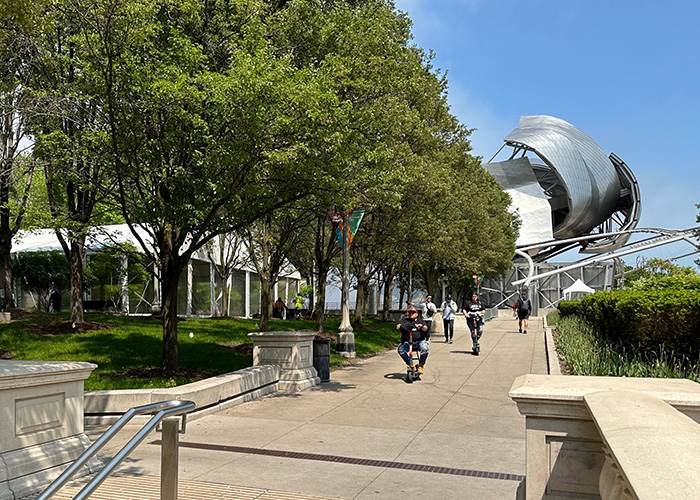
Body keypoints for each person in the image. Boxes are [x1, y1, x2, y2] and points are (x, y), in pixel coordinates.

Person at [396, 306, 429, 374]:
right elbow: (399, 325)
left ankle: (420, 365)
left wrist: (422, 327)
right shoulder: (405, 321)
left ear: (416, 314)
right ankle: (410, 364)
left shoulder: (420, 321)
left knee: (425, 350)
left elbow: (425, 328)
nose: (411, 314)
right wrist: (399, 326)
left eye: (413, 313)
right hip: (407, 342)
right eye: (410, 313)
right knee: (401, 350)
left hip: (419, 341)